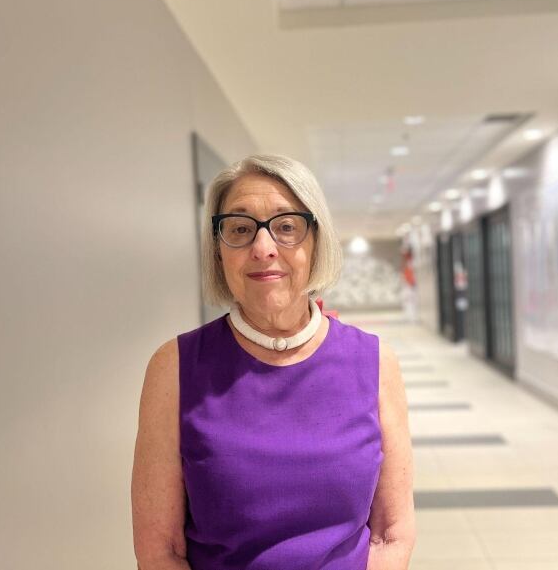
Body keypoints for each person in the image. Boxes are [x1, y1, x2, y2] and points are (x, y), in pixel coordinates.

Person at [131, 154, 415, 570]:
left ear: (316, 241)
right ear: (217, 251)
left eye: (286, 227)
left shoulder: (374, 363)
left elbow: (393, 533)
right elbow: (161, 551)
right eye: (241, 229)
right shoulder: (174, 368)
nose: (263, 249)